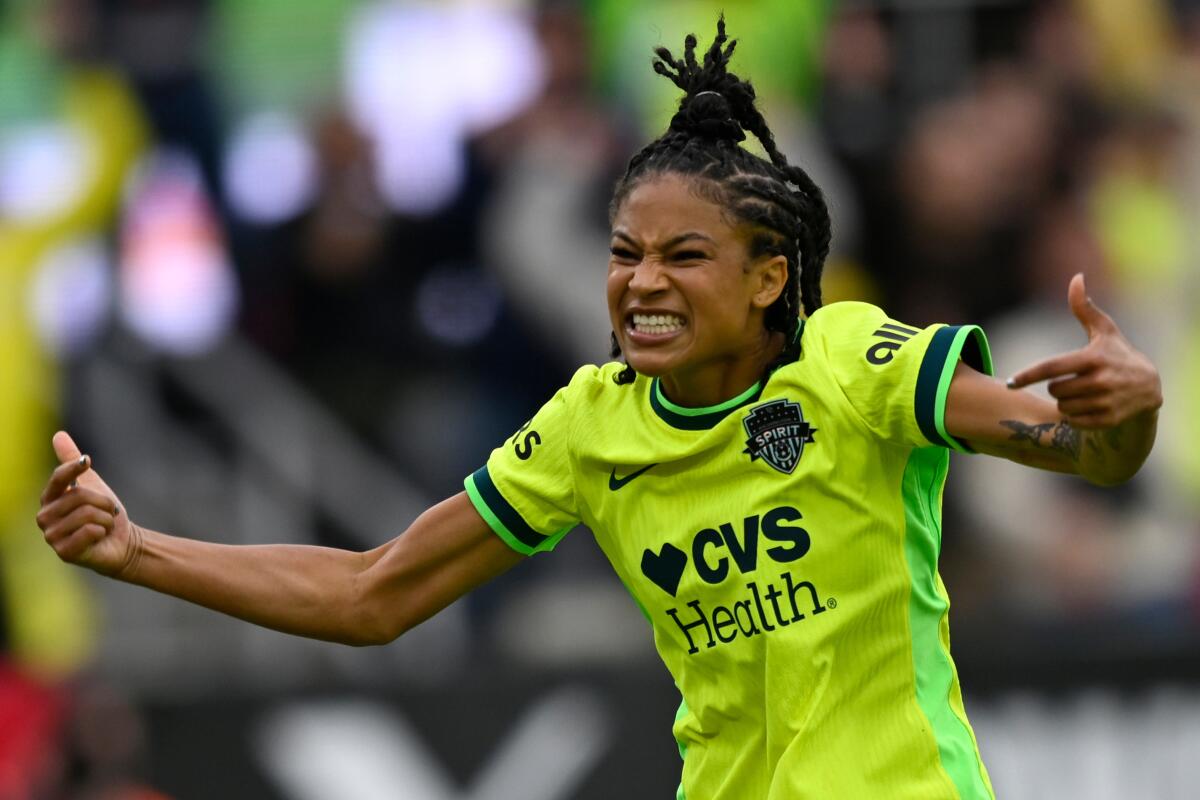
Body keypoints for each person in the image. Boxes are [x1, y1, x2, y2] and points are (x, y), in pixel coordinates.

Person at [35, 19, 1162, 800]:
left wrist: (1128, 410)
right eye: (625, 254)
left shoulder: (851, 359)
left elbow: (1083, 453)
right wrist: (139, 551)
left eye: (684, 254)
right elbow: (376, 592)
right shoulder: (589, 425)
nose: (640, 282)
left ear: (771, 275)